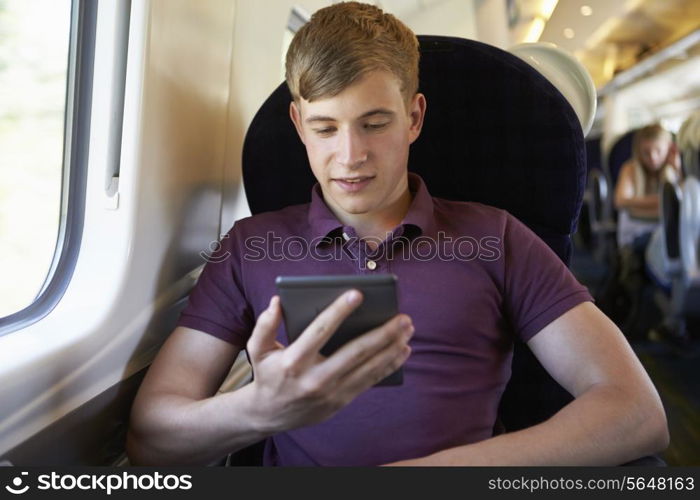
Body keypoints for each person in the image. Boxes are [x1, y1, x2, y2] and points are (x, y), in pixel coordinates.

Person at [126, 1, 668, 466]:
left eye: (375, 123)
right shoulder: (249, 248)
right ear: (297, 126)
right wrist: (259, 411)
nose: (351, 156)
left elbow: (636, 412)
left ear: (414, 118)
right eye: (325, 128)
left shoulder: (495, 237)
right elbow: (149, 438)